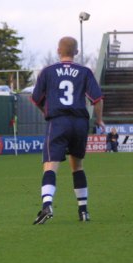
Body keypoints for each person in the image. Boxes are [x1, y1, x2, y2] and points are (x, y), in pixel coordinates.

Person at [30, 36, 105, 224]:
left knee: (50, 166)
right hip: (80, 123)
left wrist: (46, 111)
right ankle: (83, 211)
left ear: (58, 50)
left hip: (58, 121)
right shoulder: (85, 71)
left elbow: (36, 99)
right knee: (77, 166)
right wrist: (99, 120)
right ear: (76, 52)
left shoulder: (48, 71)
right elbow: (97, 99)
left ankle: (47, 205)